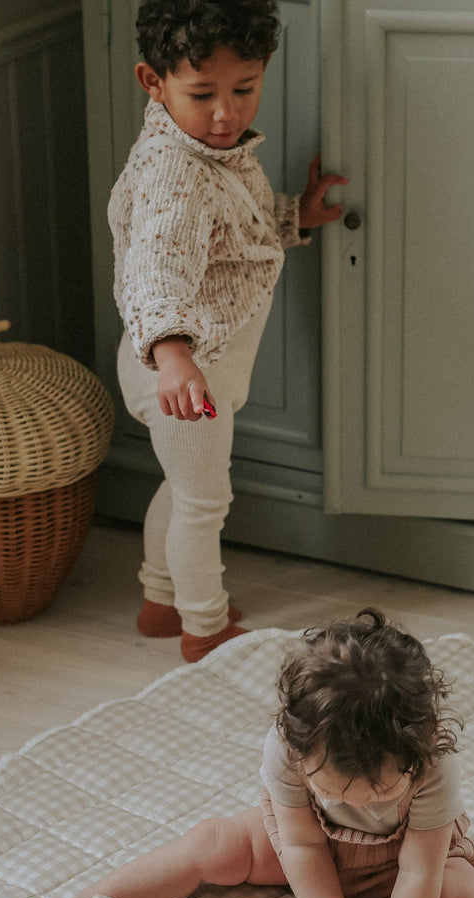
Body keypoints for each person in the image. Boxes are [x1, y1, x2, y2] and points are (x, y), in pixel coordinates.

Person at [14, 608, 474, 898]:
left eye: (383, 791)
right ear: (301, 749)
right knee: (210, 843)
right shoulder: (288, 746)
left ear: (419, 744)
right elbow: (302, 843)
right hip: (308, 846)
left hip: (400, 865)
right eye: (335, 791)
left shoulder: (432, 763)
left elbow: (419, 871)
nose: (359, 805)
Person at [114, 0, 347, 662]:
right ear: (152, 82)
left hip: (192, 368)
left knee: (182, 488)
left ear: (264, 70)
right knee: (204, 503)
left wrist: (294, 214)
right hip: (184, 374)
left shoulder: (208, 149)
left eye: (244, 89)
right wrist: (174, 353)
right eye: (203, 94)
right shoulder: (174, 174)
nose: (226, 113)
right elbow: (155, 269)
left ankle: (160, 600)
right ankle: (205, 628)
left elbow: (232, 237)